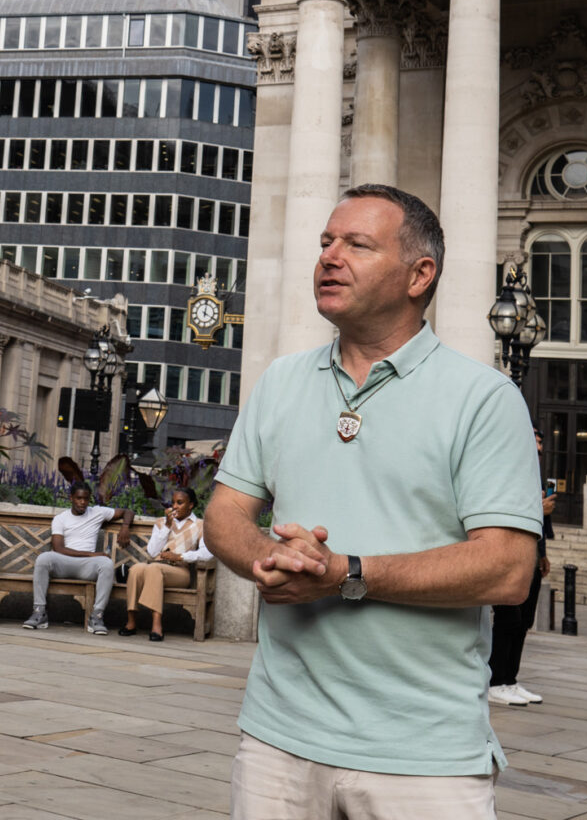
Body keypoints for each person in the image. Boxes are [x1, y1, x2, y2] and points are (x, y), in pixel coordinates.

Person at [202, 184, 541, 819]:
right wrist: (271, 561)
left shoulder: (484, 399)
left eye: (357, 244)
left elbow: (508, 568)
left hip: (423, 756)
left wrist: (346, 575)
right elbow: (224, 513)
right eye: (326, 242)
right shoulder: (280, 382)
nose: (330, 256)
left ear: (420, 275)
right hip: (278, 739)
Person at [488, 429, 555, 706]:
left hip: (531, 556)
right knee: (508, 620)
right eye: (535, 442)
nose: (539, 448)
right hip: (509, 556)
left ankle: (510, 680)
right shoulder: (510, 470)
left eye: (541, 443)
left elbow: (537, 525)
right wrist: (539, 509)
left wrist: (542, 554)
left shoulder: (534, 474)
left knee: (523, 622)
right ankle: (495, 681)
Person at [22, 482, 134, 635]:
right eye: (79, 498)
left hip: (86, 567)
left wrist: (125, 527)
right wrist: (92, 554)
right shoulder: (60, 519)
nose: (82, 502)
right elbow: (58, 548)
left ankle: (96, 617)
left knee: (107, 564)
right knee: (43, 558)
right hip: (65, 562)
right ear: (71, 498)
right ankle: (39, 612)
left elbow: (127, 512)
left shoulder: (97, 512)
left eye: (86, 499)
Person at [118, 486, 210, 641]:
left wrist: (179, 556)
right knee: (136, 569)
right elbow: (152, 553)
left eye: (180, 503)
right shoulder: (161, 522)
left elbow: (206, 554)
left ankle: (156, 624)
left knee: (153, 568)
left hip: (180, 572)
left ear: (191, 505)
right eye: (173, 502)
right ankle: (131, 621)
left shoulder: (201, 525)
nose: (174, 506)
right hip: (156, 568)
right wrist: (167, 526)